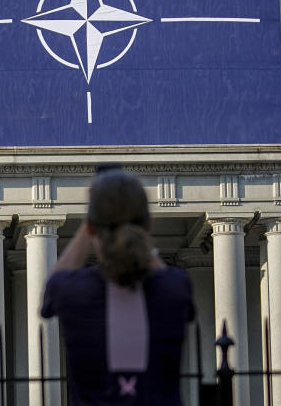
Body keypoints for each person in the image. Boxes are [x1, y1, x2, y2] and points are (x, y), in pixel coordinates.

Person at [41, 167, 195, 405]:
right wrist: (139, 240)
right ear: (147, 225)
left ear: (92, 227)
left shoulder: (72, 292)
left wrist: (92, 218)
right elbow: (163, 275)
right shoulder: (175, 288)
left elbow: (52, 286)